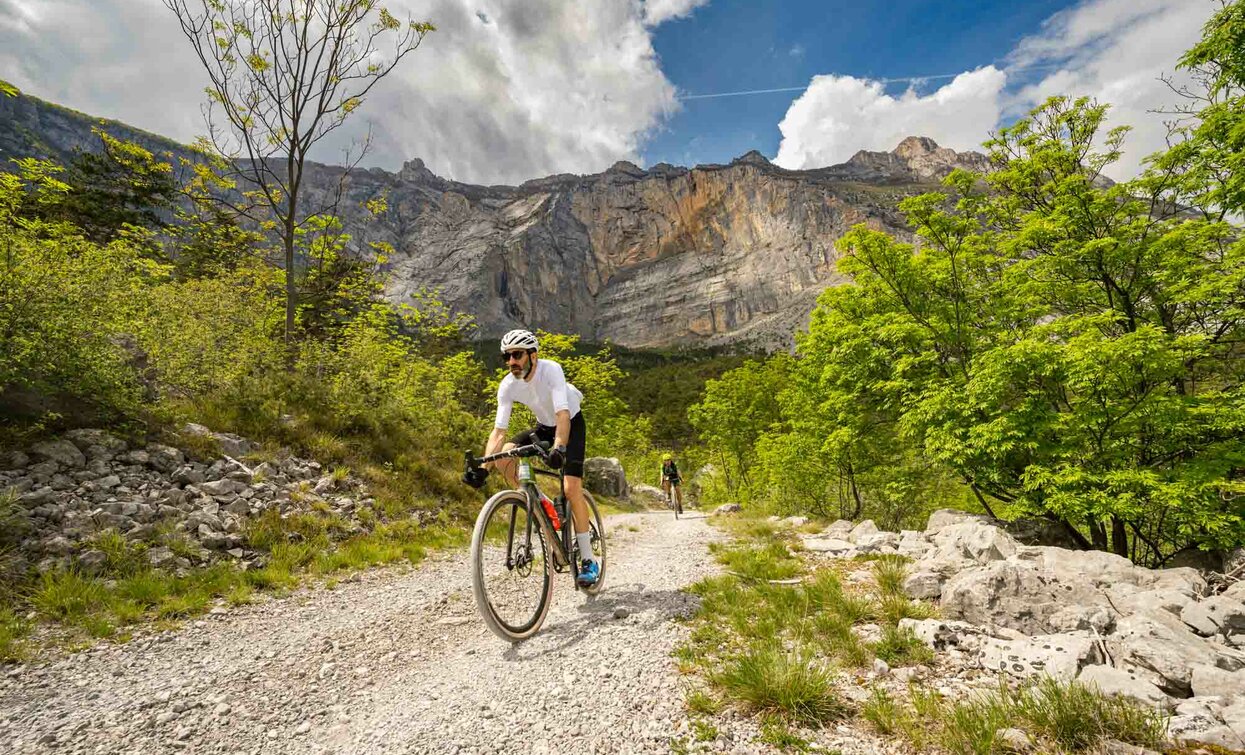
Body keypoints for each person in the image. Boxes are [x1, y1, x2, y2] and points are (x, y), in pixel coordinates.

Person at [461, 329, 600, 587]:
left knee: (571, 488)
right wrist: (484, 466)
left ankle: (589, 560)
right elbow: (499, 432)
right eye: (507, 356)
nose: (511, 361)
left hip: (570, 422)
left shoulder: (551, 370)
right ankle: (541, 504)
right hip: (542, 426)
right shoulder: (508, 384)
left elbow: (562, 415)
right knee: (504, 457)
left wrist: (559, 447)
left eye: (517, 355)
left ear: (532, 356)